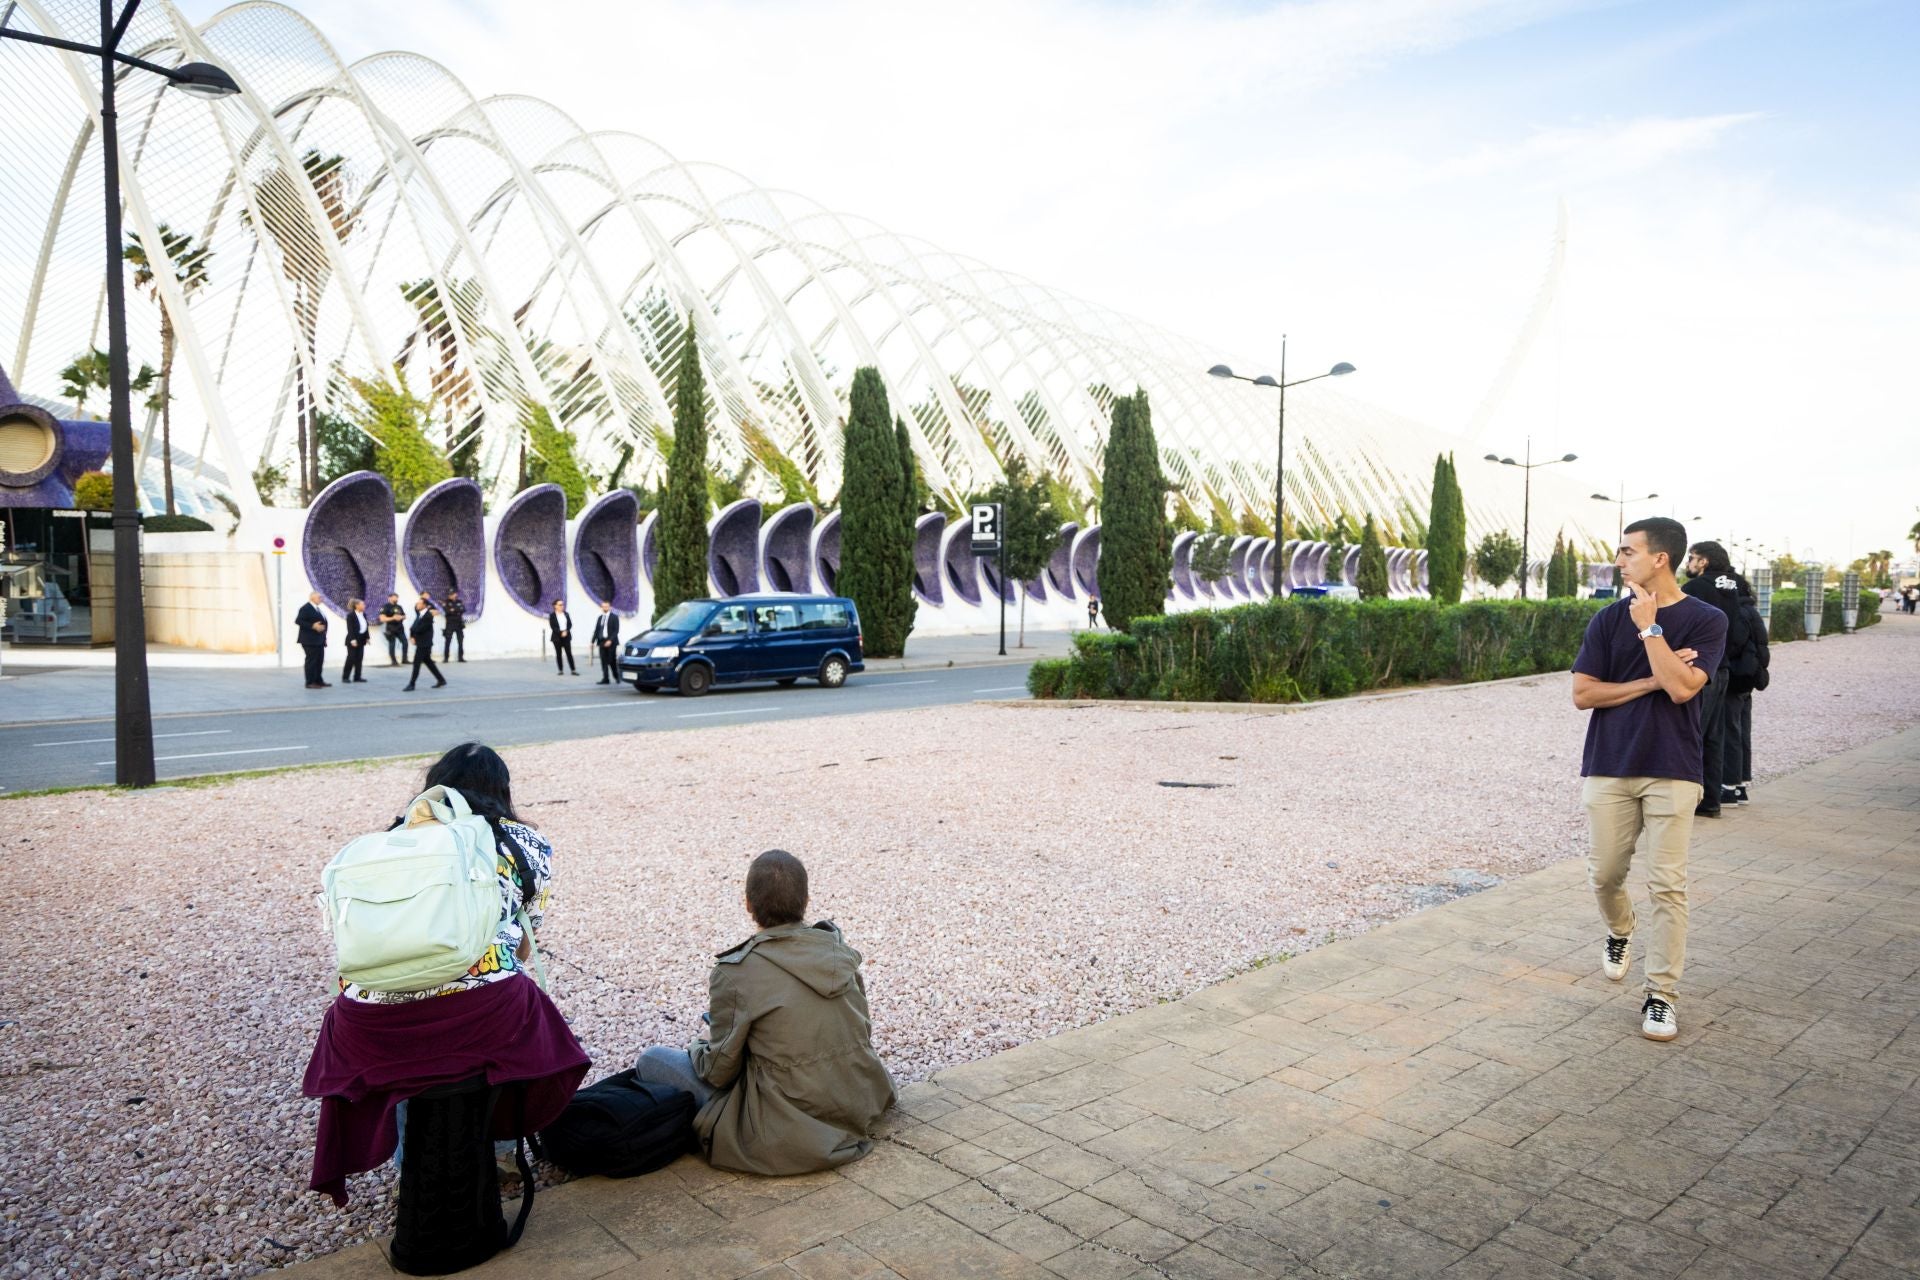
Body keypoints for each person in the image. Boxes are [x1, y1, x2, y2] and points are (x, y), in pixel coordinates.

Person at [303, 743, 587, 1207]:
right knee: (519, 1007)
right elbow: (525, 935)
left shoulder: (390, 840)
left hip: (365, 1021)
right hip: (480, 1012)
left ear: (434, 784)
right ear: (502, 791)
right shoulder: (521, 841)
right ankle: (498, 1150)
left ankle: (412, 1165)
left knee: (410, 1060)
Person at [632, 850, 894, 1175]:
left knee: (653, 1059)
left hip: (784, 1125)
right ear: (806, 900)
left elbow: (718, 1072)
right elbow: (859, 1029)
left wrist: (701, 1046)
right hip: (857, 1099)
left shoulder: (736, 972)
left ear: (748, 904)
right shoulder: (837, 951)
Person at [1571, 517, 1726, 1042]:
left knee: (1668, 886)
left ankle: (1660, 995)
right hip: (1610, 763)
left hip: (1673, 768)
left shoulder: (1708, 620)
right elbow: (1584, 695)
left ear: (1659, 558)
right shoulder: (1606, 620)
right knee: (1605, 875)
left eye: (1627, 552)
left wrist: (1651, 630)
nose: (1619, 561)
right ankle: (1619, 929)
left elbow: (1684, 691)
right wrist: (1649, 678)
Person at [1680, 541, 1750, 818]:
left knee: (1690, 731)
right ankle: (1710, 801)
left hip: (1699, 669)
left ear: (1704, 562)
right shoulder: (1735, 585)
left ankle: (1686, 800)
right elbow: (1739, 628)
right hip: (1722, 668)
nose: (1689, 563)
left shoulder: (1696, 588)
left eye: (1692, 558)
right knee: (1713, 736)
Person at [1723, 573, 1770, 805]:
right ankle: (1740, 784)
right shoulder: (1751, 610)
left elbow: (1734, 644)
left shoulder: (1738, 613)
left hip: (1735, 677)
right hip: (1748, 678)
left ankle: (1729, 786)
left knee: (1730, 730)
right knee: (1742, 730)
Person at [405, 595, 447, 691]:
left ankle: (412, 684)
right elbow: (413, 627)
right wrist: (412, 636)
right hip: (421, 643)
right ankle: (441, 680)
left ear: (424, 605)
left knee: (417, 663)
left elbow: (420, 629)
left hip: (425, 644)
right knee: (428, 662)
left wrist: (413, 635)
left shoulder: (428, 616)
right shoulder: (420, 614)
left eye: (419, 603)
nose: (417, 605)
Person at [295, 591, 331, 689]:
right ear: (312, 598)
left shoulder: (318, 609)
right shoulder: (305, 608)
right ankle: (310, 682)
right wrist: (312, 626)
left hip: (319, 640)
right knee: (311, 661)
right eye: (319, 597)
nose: (321, 599)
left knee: (319, 661)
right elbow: (298, 620)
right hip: (309, 640)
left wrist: (324, 638)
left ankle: (318, 680)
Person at [591, 601, 621, 684]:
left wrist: (610, 640)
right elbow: (597, 630)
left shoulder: (614, 617)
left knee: (612, 660)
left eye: (606, 606)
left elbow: (616, 630)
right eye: (603, 606)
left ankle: (617, 676)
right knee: (603, 661)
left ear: (610, 607)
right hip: (601, 641)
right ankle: (605, 678)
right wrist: (592, 641)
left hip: (611, 642)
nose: (605, 608)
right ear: (601, 607)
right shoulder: (600, 618)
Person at [342, 597, 370, 685]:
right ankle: (345, 677)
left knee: (359, 658)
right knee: (351, 658)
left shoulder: (363, 614)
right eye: (362, 604)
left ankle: (357, 677)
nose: (364, 605)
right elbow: (350, 629)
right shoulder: (351, 615)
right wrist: (353, 640)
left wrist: (367, 637)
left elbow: (365, 626)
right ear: (357, 605)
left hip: (361, 640)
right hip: (352, 640)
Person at [548, 599, 577, 675]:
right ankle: (560, 670)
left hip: (566, 636)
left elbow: (570, 624)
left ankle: (573, 670)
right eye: (560, 605)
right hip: (557, 637)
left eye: (562, 605)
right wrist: (561, 632)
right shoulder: (552, 615)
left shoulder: (566, 614)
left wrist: (566, 631)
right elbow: (553, 626)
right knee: (558, 654)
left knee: (569, 653)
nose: (562, 606)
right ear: (555, 606)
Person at [378, 593, 408, 665]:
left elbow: (404, 616)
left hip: (400, 628)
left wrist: (401, 617)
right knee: (392, 644)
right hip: (391, 629)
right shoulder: (385, 607)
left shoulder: (399, 606)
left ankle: (404, 659)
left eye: (397, 597)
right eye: (395, 597)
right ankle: (393, 661)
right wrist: (393, 618)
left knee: (405, 643)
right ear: (390, 598)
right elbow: (382, 619)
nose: (396, 599)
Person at [442, 590, 467, 663]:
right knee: (448, 641)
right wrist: (457, 609)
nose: (451, 596)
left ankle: (461, 657)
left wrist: (453, 609)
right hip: (450, 624)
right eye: (450, 594)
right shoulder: (446, 602)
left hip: (459, 624)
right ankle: (446, 658)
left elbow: (463, 609)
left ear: (455, 594)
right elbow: (447, 611)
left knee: (460, 641)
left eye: (452, 594)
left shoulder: (459, 601)